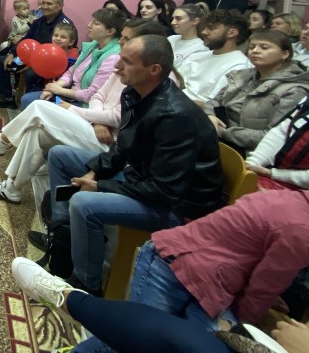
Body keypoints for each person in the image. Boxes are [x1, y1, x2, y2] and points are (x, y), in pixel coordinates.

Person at [13, 188, 309, 353]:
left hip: (211, 279)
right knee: (131, 341)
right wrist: (243, 332)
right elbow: (261, 291)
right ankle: (69, 300)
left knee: (152, 339)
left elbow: (250, 255)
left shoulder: (290, 199)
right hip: (179, 264)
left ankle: (71, 301)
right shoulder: (301, 229)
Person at [40, 35, 225, 297]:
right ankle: (63, 239)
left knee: (84, 203)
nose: (117, 67)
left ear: (154, 69)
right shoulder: (135, 94)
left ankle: (86, 285)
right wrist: (96, 170)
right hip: (141, 179)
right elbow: (123, 148)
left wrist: (101, 186)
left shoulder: (175, 116)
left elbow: (165, 191)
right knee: (60, 155)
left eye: (126, 62)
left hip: (176, 206)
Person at [0, 19, 166, 204]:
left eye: (126, 39)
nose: (121, 42)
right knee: (36, 133)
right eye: (122, 37)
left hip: (111, 145)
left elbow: (117, 116)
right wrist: (98, 121)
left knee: (39, 107)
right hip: (96, 126)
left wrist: (72, 109)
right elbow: (98, 96)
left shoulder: (140, 73)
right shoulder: (121, 64)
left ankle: (1, 141)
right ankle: (11, 188)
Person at [206, 29, 309, 155]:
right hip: (218, 137)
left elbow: (273, 137)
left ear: (285, 54)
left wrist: (223, 132)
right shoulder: (242, 75)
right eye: (252, 47)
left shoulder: (295, 90)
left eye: (264, 47)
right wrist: (210, 116)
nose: (255, 51)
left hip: (247, 152)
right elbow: (213, 102)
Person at [18, 8, 126, 111]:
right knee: (28, 99)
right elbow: (72, 71)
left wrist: (60, 91)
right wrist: (56, 86)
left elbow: (92, 95)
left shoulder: (113, 57)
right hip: (71, 96)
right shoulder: (93, 46)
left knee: (32, 103)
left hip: (84, 105)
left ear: (110, 31)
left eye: (96, 23)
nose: (89, 25)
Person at [0, 0, 74, 108]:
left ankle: (32, 104)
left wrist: (34, 64)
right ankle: (6, 97)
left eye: (49, 4)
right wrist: (13, 53)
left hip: (49, 64)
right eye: (43, 3)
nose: (44, 6)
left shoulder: (65, 25)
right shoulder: (39, 21)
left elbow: (67, 52)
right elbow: (26, 39)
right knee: (2, 61)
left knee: (31, 74)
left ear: (60, 6)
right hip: (30, 59)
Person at [177, 9, 253, 104]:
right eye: (205, 27)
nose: (204, 32)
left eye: (211, 28)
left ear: (232, 33)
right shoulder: (197, 56)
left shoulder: (240, 67)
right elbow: (175, 81)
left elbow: (213, 105)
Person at [247, 96, 309, 190]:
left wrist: (271, 173)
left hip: (300, 190)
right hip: (270, 173)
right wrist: (251, 165)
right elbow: (281, 132)